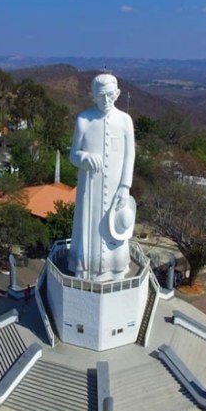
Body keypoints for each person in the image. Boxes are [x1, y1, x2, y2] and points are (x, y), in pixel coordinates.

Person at [68, 73, 136, 281]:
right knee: (90, 229)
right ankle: (86, 269)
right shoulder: (84, 120)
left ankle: (115, 269)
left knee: (114, 229)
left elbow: (129, 154)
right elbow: (73, 155)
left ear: (117, 94)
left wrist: (125, 187)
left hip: (117, 188)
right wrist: (84, 158)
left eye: (109, 95)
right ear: (92, 96)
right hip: (91, 190)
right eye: (101, 96)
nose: (106, 101)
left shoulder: (125, 120)